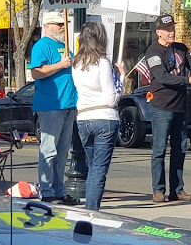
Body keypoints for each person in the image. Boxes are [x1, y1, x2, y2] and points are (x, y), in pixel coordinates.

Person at [145, 14, 191, 203]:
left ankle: (177, 190)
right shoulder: (153, 51)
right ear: (159, 32)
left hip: (181, 106)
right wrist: (189, 80)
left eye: (173, 28)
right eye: (167, 29)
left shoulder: (181, 48)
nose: (171, 32)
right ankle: (158, 190)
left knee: (180, 149)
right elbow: (162, 77)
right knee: (159, 149)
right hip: (162, 106)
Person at [72, 22, 125, 211]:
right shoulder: (102, 63)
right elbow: (112, 99)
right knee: (98, 170)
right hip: (104, 117)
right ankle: (92, 211)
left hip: (84, 118)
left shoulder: (76, 64)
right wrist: (122, 77)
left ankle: (91, 208)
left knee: (93, 167)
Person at [31, 11, 79, 206]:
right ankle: (47, 189)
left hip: (68, 104)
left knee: (62, 151)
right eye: (59, 24)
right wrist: (60, 65)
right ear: (47, 25)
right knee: (49, 150)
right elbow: (36, 72)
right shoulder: (42, 46)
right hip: (51, 104)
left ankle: (59, 189)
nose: (62, 27)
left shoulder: (65, 47)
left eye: (64, 24)